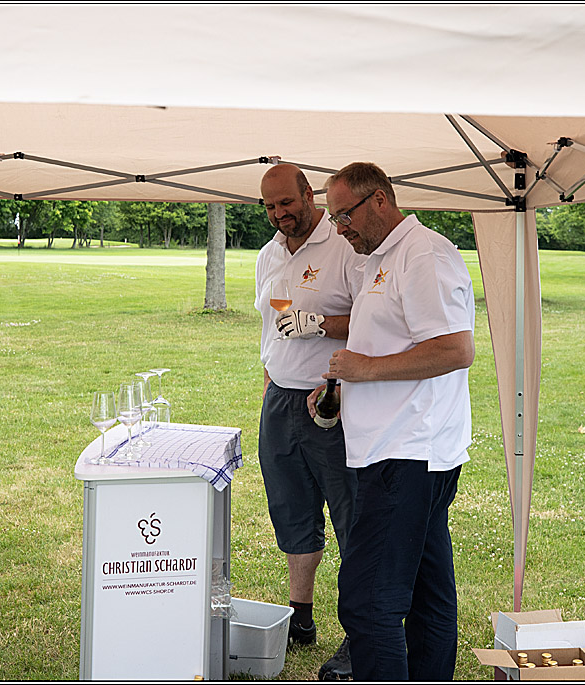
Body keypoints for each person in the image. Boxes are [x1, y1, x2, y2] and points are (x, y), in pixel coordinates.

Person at [310, 162, 475, 681]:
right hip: (395, 451)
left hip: (408, 454)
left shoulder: (424, 254)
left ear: (379, 199)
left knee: (368, 601)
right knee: (427, 595)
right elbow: (390, 343)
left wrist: (364, 369)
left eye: (345, 215)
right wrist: (344, 386)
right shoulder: (379, 259)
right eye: (334, 218)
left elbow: (454, 349)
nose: (340, 228)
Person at [254, 163, 366, 680]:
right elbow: (269, 329)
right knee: (291, 510)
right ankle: (300, 616)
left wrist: (318, 323)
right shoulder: (268, 254)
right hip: (280, 401)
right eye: (270, 207)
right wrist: (268, 383)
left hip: (332, 401)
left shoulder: (345, 245)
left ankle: (361, 632)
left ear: (308, 194)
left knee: (352, 517)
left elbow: (373, 318)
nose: (280, 214)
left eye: (286, 202)